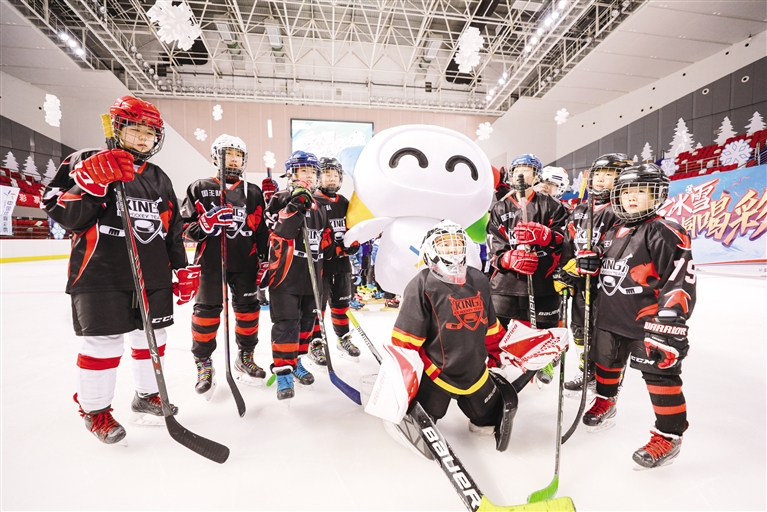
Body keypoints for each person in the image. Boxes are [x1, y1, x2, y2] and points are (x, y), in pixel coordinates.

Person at [43, 95, 193, 444]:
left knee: (153, 337)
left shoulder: (158, 177)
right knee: (103, 343)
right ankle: (95, 411)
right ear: (117, 127)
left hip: (152, 273)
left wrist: (180, 268)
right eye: (136, 129)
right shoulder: (85, 160)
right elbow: (56, 207)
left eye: (150, 133)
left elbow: (171, 228)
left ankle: (147, 395)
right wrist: (91, 186)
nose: (143, 138)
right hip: (101, 272)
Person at [576, 163, 695, 469]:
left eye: (641, 191)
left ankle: (668, 435)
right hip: (610, 317)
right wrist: (589, 264)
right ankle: (606, 401)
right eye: (626, 192)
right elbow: (606, 268)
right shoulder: (613, 230)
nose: (631, 198)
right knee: (606, 362)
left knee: (660, 376)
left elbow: (679, 279)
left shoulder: (665, 231)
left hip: (648, 322)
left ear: (657, 195)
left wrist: (669, 322)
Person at [390, 220, 517, 450]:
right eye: (445, 244)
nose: (452, 250)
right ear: (430, 249)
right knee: (425, 421)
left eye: (456, 244)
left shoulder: (479, 280)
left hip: (475, 372)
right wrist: (402, 383)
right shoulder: (421, 285)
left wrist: (500, 355)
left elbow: (490, 327)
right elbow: (405, 341)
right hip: (436, 374)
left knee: (487, 420)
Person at [181, 134, 269, 395]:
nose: (233, 160)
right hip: (210, 263)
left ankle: (245, 356)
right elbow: (184, 228)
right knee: (206, 314)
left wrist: (265, 259)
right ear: (215, 156)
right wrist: (204, 225)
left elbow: (261, 230)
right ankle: (203, 363)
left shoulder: (253, 192)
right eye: (227, 154)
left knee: (248, 311)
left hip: (245, 263)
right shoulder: (199, 187)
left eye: (237, 156)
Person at [486, 154, 568, 388]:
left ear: (537, 175)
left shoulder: (552, 206)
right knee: (495, 329)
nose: (521, 175)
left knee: (544, 328)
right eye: (517, 170)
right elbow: (494, 245)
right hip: (506, 284)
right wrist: (507, 258)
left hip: (542, 281)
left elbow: (565, 239)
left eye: (527, 170)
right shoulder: (500, 207)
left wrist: (547, 236)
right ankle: (494, 363)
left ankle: (544, 361)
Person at [557, 154, 633, 394]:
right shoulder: (580, 209)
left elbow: (621, 246)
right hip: (582, 281)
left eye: (609, 175)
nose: (601, 179)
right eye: (598, 174)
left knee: (605, 335)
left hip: (608, 286)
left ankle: (607, 377)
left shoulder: (621, 210)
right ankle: (586, 369)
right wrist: (565, 271)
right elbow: (568, 243)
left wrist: (596, 260)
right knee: (580, 329)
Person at [263, 151, 335, 400]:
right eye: (303, 171)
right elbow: (279, 231)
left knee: (307, 322)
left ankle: (297, 362)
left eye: (313, 172)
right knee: (286, 323)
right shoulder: (280, 198)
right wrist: (295, 205)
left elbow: (325, 241)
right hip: (286, 274)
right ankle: (283, 371)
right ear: (291, 174)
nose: (309, 176)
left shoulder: (319, 205)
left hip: (312, 273)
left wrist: (342, 246)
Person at [307, 157, 361, 366]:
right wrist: (333, 248)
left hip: (341, 264)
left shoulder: (344, 202)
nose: (331, 178)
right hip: (320, 265)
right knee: (317, 306)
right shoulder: (313, 201)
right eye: (327, 174)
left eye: (335, 175)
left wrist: (354, 242)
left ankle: (343, 338)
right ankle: (316, 342)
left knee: (341, 303)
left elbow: (351, 228)